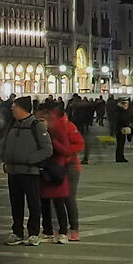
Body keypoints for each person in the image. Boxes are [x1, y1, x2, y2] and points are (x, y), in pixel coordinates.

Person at [0, 96, 52, 243]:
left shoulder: (36, 125)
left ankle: (33, 233)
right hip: (13, 171)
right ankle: (17, 232)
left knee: (33, 203)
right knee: (16, 204)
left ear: (22, 109)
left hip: (30, 172)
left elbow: (47, 149)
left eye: (14, 107)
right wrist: (5, 157)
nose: (12, 109)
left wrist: (30, 159)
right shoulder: (12, 125)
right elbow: (4, 144)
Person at [41, 98, 86, 242]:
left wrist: (65, 152)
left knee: (68, 198)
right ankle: (57, 229)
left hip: (70, 166)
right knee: (55, 199)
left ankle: (73, 228)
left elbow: (79, 144)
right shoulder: (48, 126)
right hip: (54, 166)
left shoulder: (67, 126)